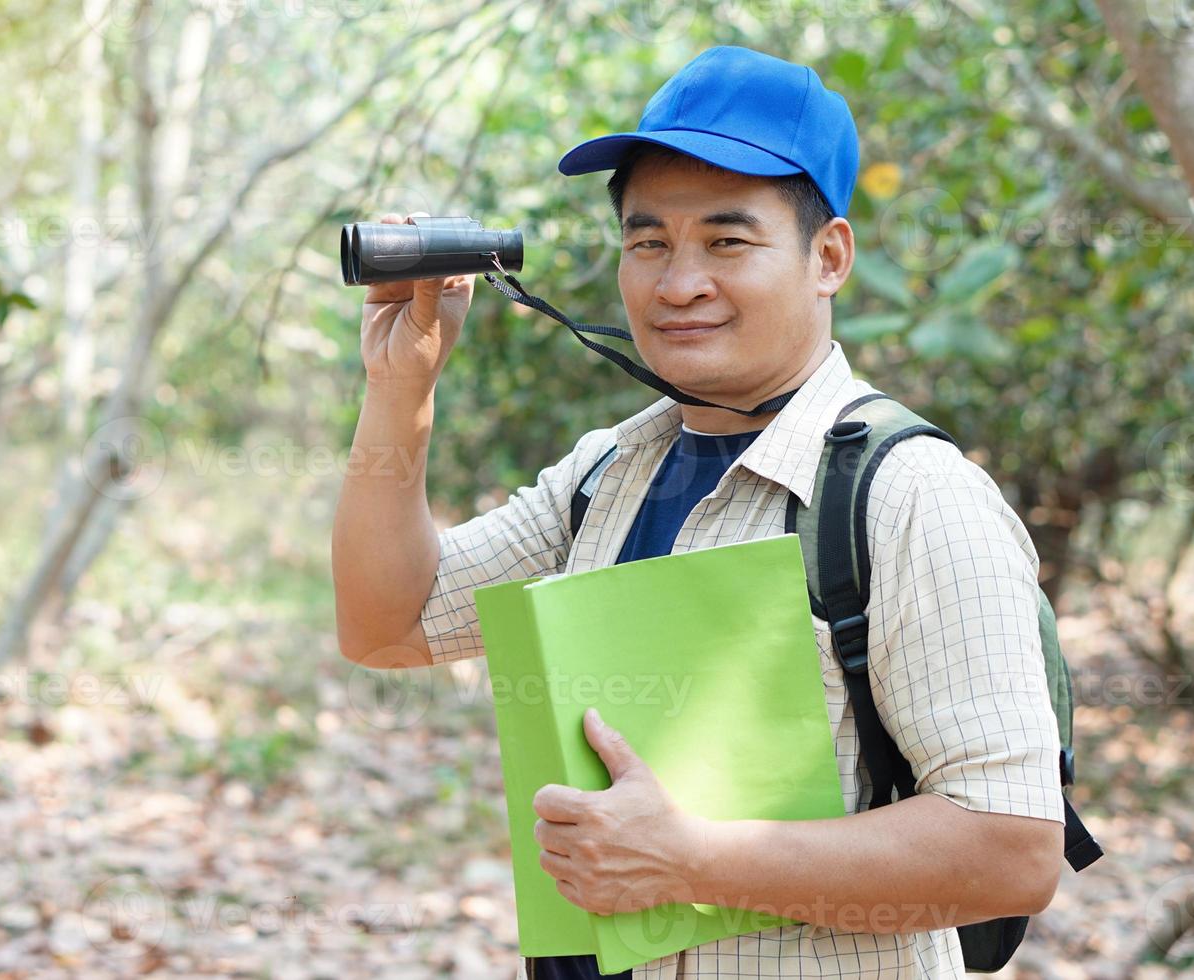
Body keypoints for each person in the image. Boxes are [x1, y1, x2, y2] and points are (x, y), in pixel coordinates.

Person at [331, 45, 1066, 979]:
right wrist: (403, 386)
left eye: (728, 241)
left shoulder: (910, 496)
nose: (679, 284)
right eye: (649, 243)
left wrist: (693, 861)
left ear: (828, 256)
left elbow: (1014, 848)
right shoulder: (609, 473)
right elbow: (387, 625)